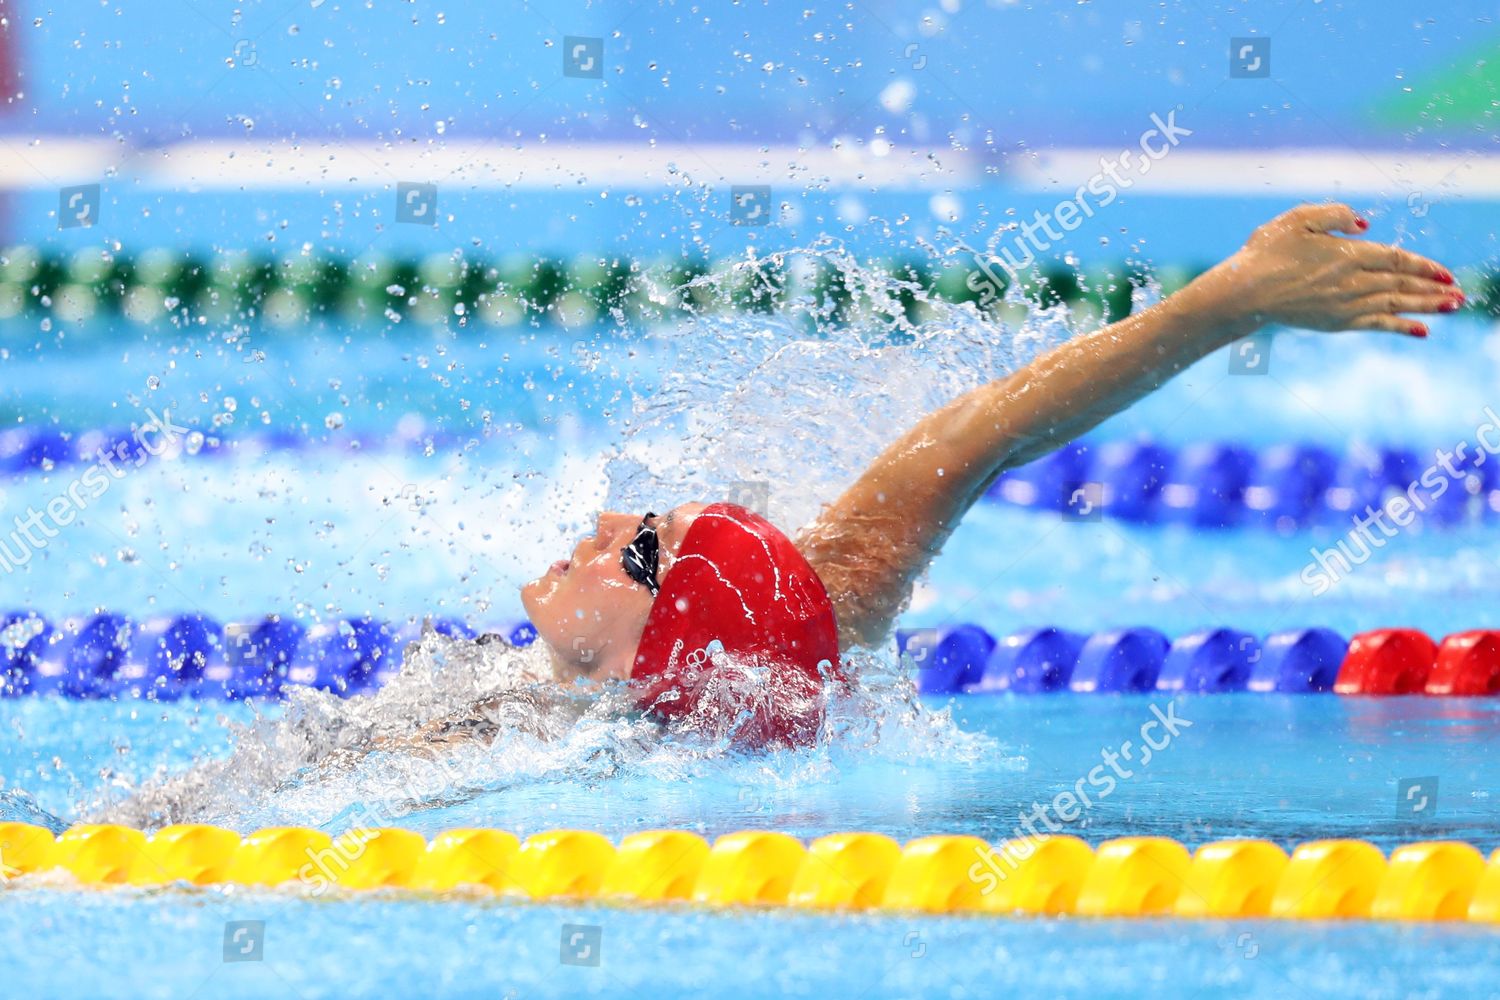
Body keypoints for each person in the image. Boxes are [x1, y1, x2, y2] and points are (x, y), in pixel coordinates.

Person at [476, 203, 1460, 748]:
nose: (604, 520)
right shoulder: (787, 625)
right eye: (638, 535)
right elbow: (976, 433)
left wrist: (1235, 300)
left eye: (638, 549)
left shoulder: (517, 740)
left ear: (660, 655)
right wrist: (1224, 301)